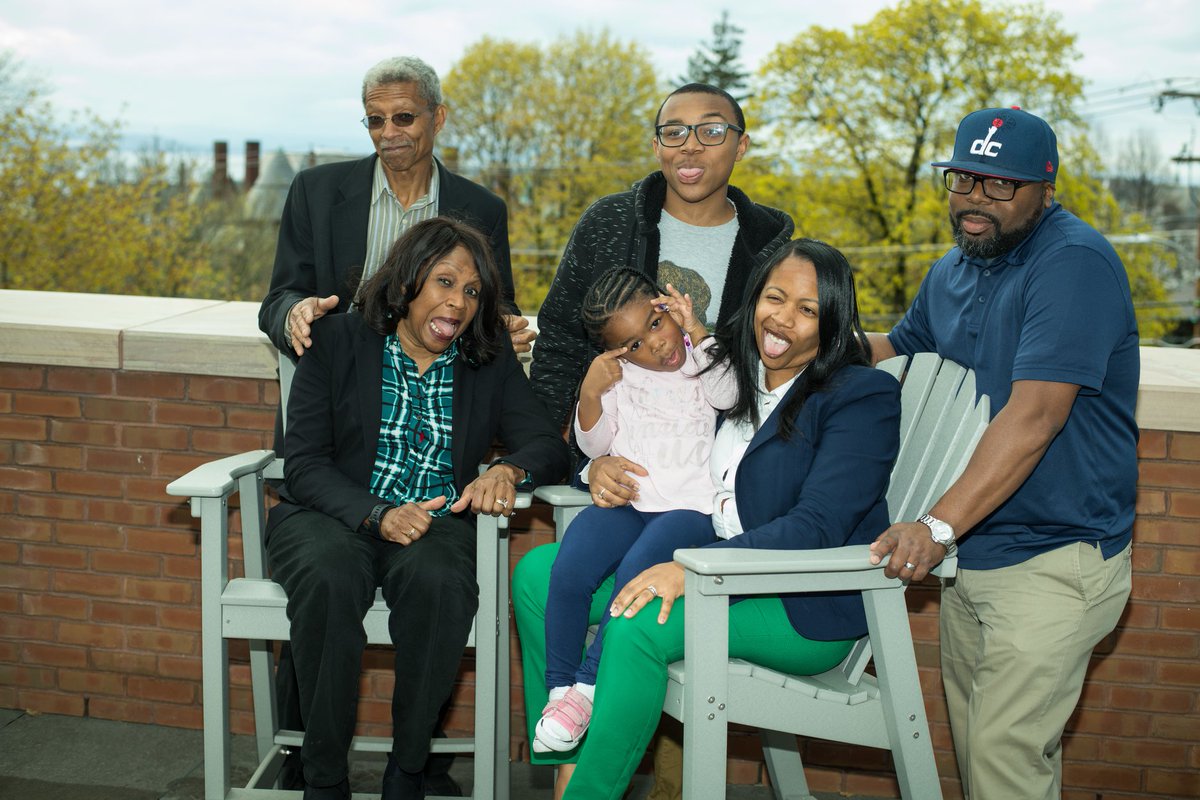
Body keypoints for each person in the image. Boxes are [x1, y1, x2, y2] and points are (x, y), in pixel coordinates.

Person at [515, 239, 902, 799]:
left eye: (808, 308)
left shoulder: (859, 395)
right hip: (699, 553)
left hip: (798, 598)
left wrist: (696, 568)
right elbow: (653, 431)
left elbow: (817, 526)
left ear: (833, 318)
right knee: (536, 577)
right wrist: (597, 464)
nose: (784, 319)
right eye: (774, 297)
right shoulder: (735, 371)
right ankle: (568, 748)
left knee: (637, 623)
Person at [867, 107, 1137, 800]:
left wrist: (932, 526)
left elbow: (1036, 416)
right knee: (990, 762)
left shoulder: (1072, 263)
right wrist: (780, 339)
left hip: (1054, 559)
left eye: (1000, 186)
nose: (975, 200)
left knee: (1001, 757)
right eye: (964, 179)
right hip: (973, 551)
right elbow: (896, 353)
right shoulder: (954, 268)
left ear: (1046, 189)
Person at [266, 216, 569, 800]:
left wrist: (508, 469)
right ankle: (322, 776)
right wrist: (377, 514)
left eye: (473, 291)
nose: (457, 303)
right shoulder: (336, 341)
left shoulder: (486, 358)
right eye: (445, 282)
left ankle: (408, 770)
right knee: (329, 577)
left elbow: (546, 444)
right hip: (330, 516)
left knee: (441, 582)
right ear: (407, 281)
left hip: (435, 522)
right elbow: (302, 463)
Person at [534, 270, 736, 754]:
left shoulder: (700, 361)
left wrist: (699, 331)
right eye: (633, 344)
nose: (654, 345)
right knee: (568, 566)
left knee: (633, 573)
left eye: (655, 323)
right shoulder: (618, 378)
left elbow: (730, 394)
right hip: (631, 502)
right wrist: (589, 391)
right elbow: (594, 444)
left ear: (670, 307)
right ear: (614, 352)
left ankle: (588, 686)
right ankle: (560, 691)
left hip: (688, 510)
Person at [530, 82, 794, 435]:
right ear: (657, 147)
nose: (690, 145)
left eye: (712, 131)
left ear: (740, 146)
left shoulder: (773, 249)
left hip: (733, 458)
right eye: (674, 132)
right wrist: (555, 443)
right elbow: (560, 340)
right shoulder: (610, 223)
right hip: (621, 454)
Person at [259, 55, 534, 361]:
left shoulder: (484, 209)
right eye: (376, 120)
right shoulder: (314, 192)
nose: (388, 133)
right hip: (335, 383)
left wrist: (505, 327)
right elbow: (278, 300)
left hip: (437, 388)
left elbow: (498, 305)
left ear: (438, 119)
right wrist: (295, 314)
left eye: (404, 117)